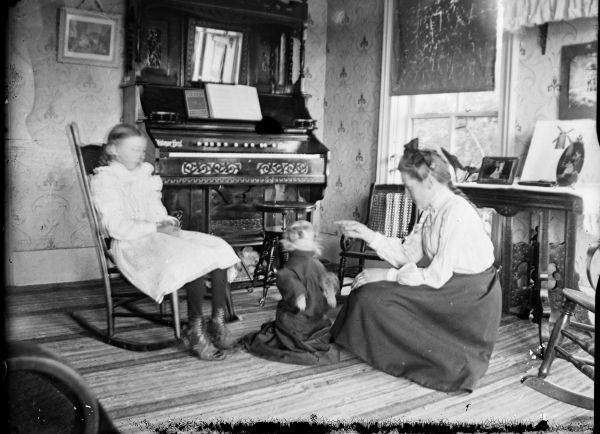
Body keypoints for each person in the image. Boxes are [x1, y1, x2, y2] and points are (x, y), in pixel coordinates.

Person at [331, 138, 502, 393]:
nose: (407, 195)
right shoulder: (431, 209)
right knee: (366, 294)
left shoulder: (457, 212)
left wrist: (386, 274)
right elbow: (408, 254)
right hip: (447, 283)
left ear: (430, 183)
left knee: (372, 298)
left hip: (470, 298)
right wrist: (367, 234)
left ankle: (419, 357)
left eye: (410, 188)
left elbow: (436, 275)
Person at [90, 124, 240, 361]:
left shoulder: (144, 175)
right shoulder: (105, 180)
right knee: (193, 257)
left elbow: (156, 210)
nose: (141, 155)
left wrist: (166, 222)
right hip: (131, 243)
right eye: (134, 150)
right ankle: (195, 329)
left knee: (218, 247)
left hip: (158, 235)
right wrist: (154, 228)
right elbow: (115, 226)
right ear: (113, 150)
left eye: (142, 150)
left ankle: (217, 322)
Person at [243, 220, 341, 365]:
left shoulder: (317, 264)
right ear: (289, 241)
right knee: (297, 328)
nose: (300, 231)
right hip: (296, 316)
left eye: (305, 229)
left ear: (314, 238)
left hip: (316, 314)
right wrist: (298, 294)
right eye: (296, 230)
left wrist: (329, 291)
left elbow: (325, 278)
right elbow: (286, 277)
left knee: (321, 325)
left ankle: (313, 328)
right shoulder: (291, 265)